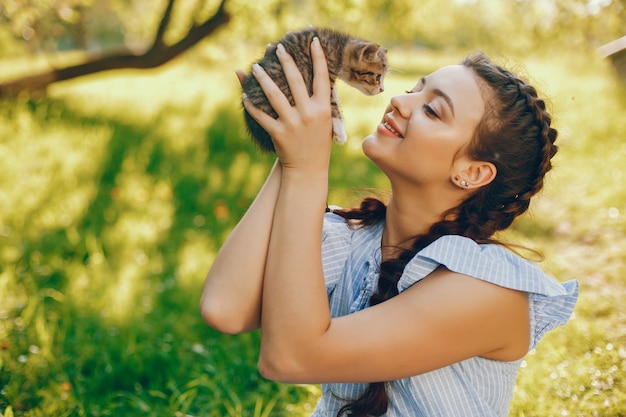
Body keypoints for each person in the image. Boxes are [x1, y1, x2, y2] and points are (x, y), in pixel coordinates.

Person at [200, 37, 579, 417]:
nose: (400, 101)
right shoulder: (354, 238)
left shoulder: (487, 290)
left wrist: (307, 169)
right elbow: (225, 308)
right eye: (414, 88)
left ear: (472, 172)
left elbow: (290, 358)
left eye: (431, 109)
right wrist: (289, 152)